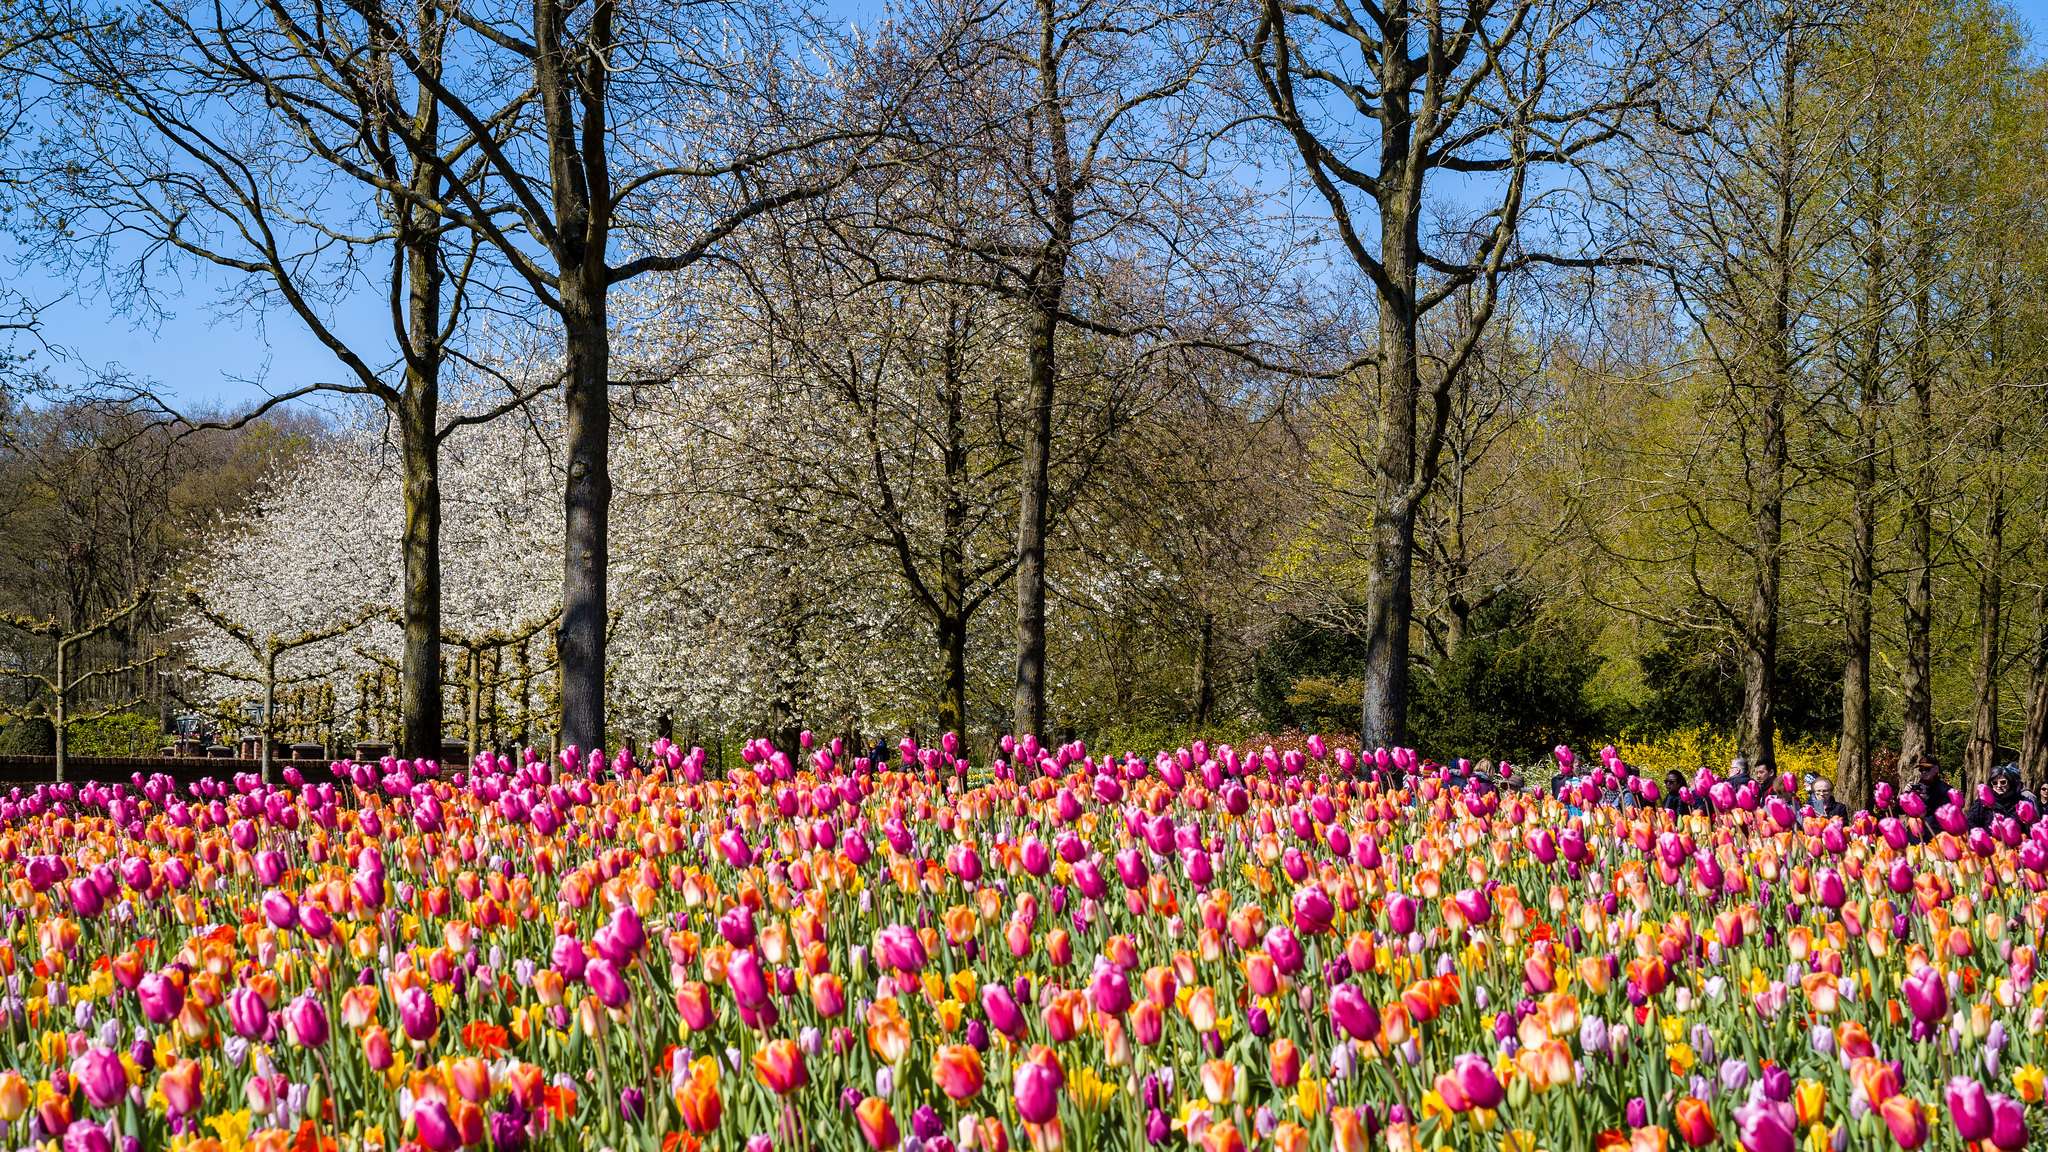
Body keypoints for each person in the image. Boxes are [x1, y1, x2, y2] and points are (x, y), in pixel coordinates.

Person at [1968, 763, 2033, 830]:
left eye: (2003, 782)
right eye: (1995, 783)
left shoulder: (2021, 802)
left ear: (2010, 782)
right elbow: (1971, 824)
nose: (1999, 786)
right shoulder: (1981, 803)